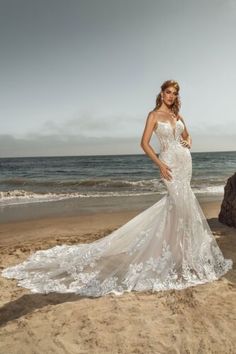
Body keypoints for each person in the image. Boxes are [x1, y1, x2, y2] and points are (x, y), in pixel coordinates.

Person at [1, 80, 232, 297]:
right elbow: (143, 143)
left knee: (183, 207)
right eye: (168, 92)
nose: (171, 96)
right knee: (179, 205)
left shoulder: (176, 114)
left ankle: (180, 254)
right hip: (169, 164)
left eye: (175, 93)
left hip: (185, 163)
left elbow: (188, 135)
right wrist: (160, 163)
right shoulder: (154, 115)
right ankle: (175, 254)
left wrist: (189, 142)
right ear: (161, 93)